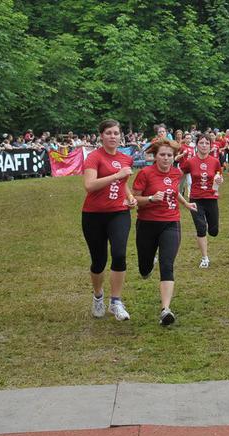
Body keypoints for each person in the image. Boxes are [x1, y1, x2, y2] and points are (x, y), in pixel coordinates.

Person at [132, 139, 197, 325]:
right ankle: (147, 265)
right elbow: (134, 198)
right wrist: (151, 199)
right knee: (144, 269)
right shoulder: (145, 173)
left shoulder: (176, 173)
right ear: (155, 156)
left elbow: (173, 190)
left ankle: (165, 309)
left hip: (170, 222)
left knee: (167, 263)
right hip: (147, 223)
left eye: (169, 155)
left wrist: (185, 203)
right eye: (162, 155)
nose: (166, 158)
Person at [82, 120, 137, 321]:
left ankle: (116, 302)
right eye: (108, 133)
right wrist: (116, 175)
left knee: (120, 254)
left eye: (116, 133)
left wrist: (130, 198)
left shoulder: (125, 158)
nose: (113, 136)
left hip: (119, 213)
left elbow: (123, 184)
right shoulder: (94, 157)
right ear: (101, 135)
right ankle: (98, 296)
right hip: (93, 214)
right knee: (99, 261)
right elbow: (89, 185)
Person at [180, 133, 224, 268]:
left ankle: (212, 231)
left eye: (207, 143)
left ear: (211, 146)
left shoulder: (215, 161)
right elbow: (179, 174)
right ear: (197, 145)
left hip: (211, 198)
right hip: (196, 199)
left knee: (213, 231)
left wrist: (220, 180)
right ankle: (205, 258)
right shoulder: (190, 162)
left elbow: (219, 176)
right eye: (201, 143)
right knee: (201, 227)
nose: (204, 145)